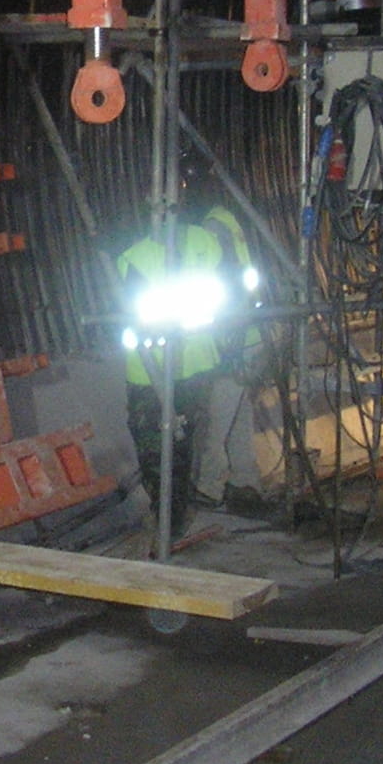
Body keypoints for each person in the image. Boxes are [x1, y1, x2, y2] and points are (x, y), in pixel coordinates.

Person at [117, 205, 261, 531]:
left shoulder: (133, 256)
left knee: (162, 446)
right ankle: (189, 509)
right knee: (189, 439)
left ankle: (175, 515)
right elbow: (233, 287)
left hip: (150, 369)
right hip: (201, 359)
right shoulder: (207, 238)